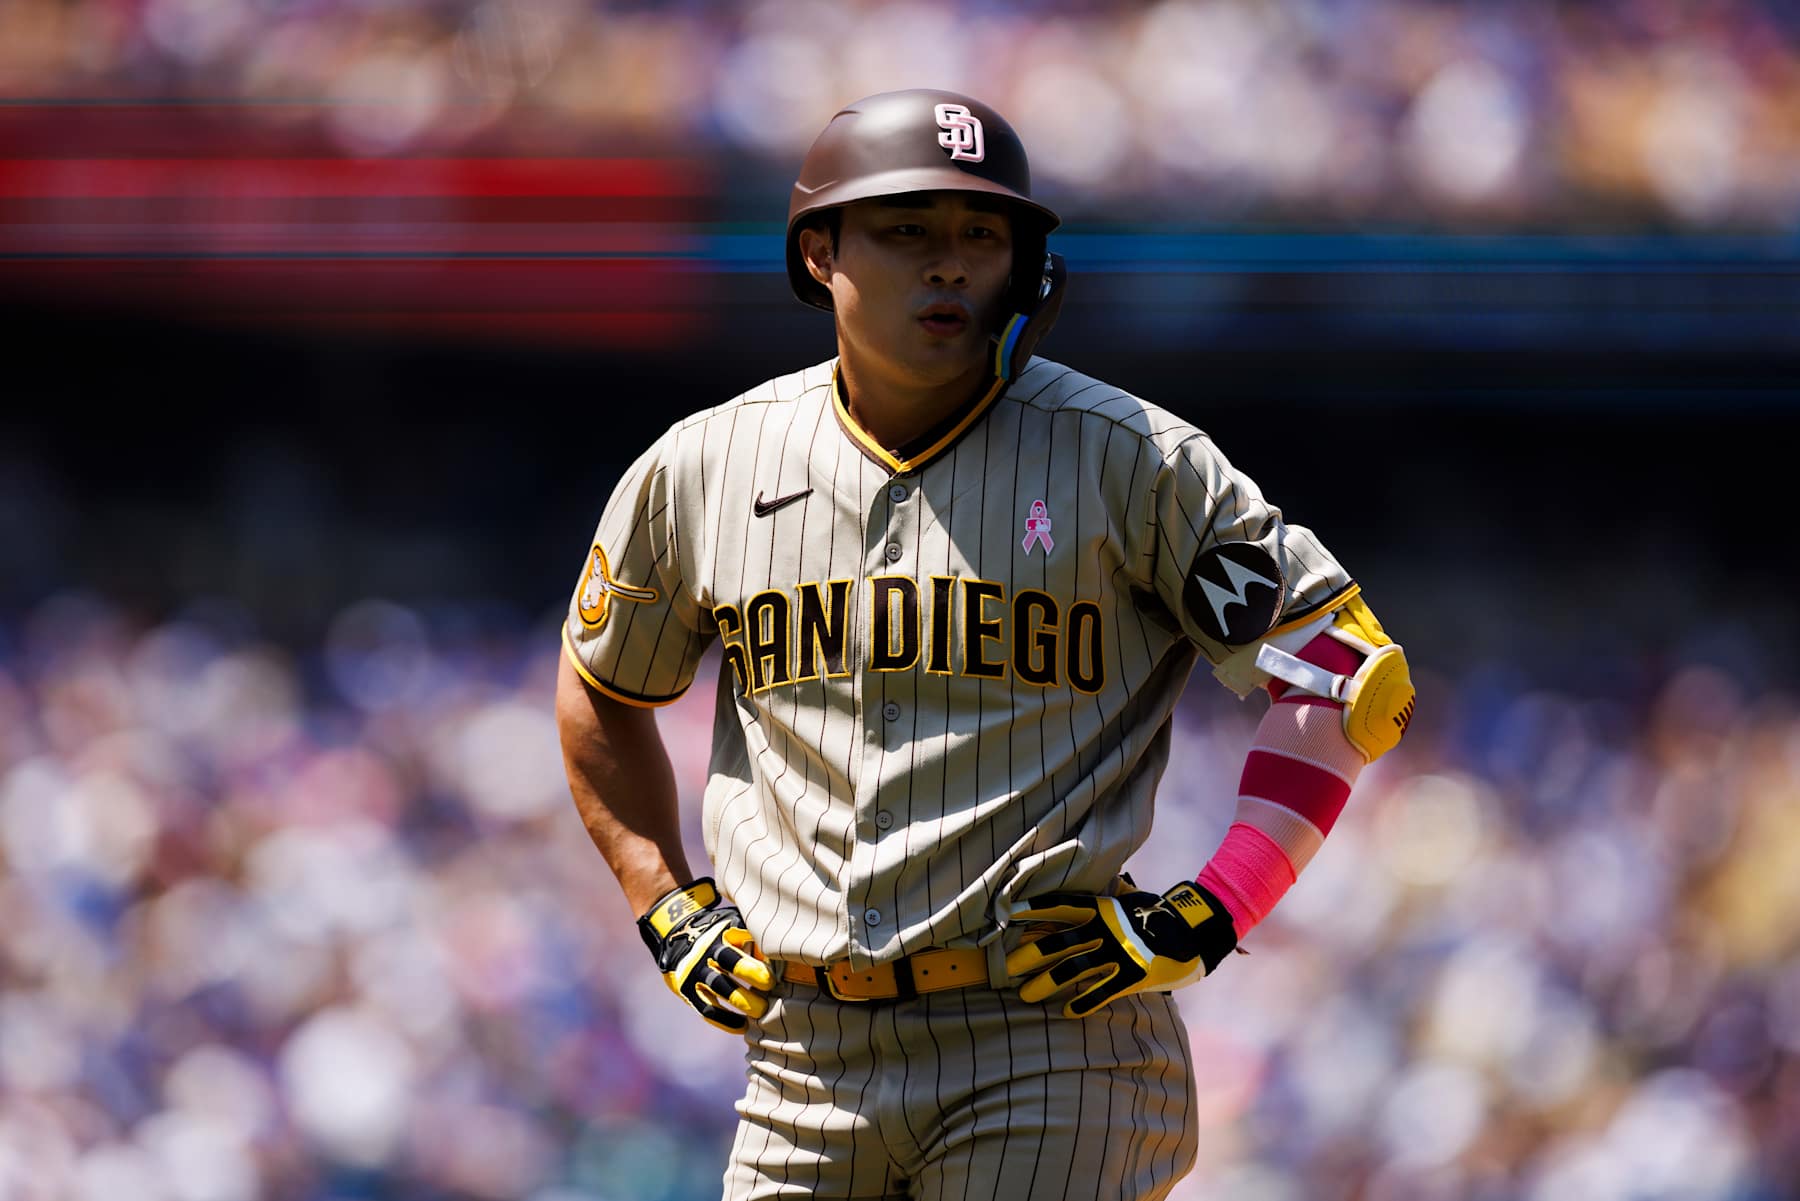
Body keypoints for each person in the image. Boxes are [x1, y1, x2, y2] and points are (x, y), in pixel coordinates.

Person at [555, 89, 1415, 1201]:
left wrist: (1211, 911)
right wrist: (662, 897)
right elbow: (601, 688)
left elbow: (1348, 676)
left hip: (1048, 1037)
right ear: (820, 252)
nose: (951, 265)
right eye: (907, 231)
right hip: (803, 1061)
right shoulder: (702, 466)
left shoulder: (1130, 457)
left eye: (981, 234)